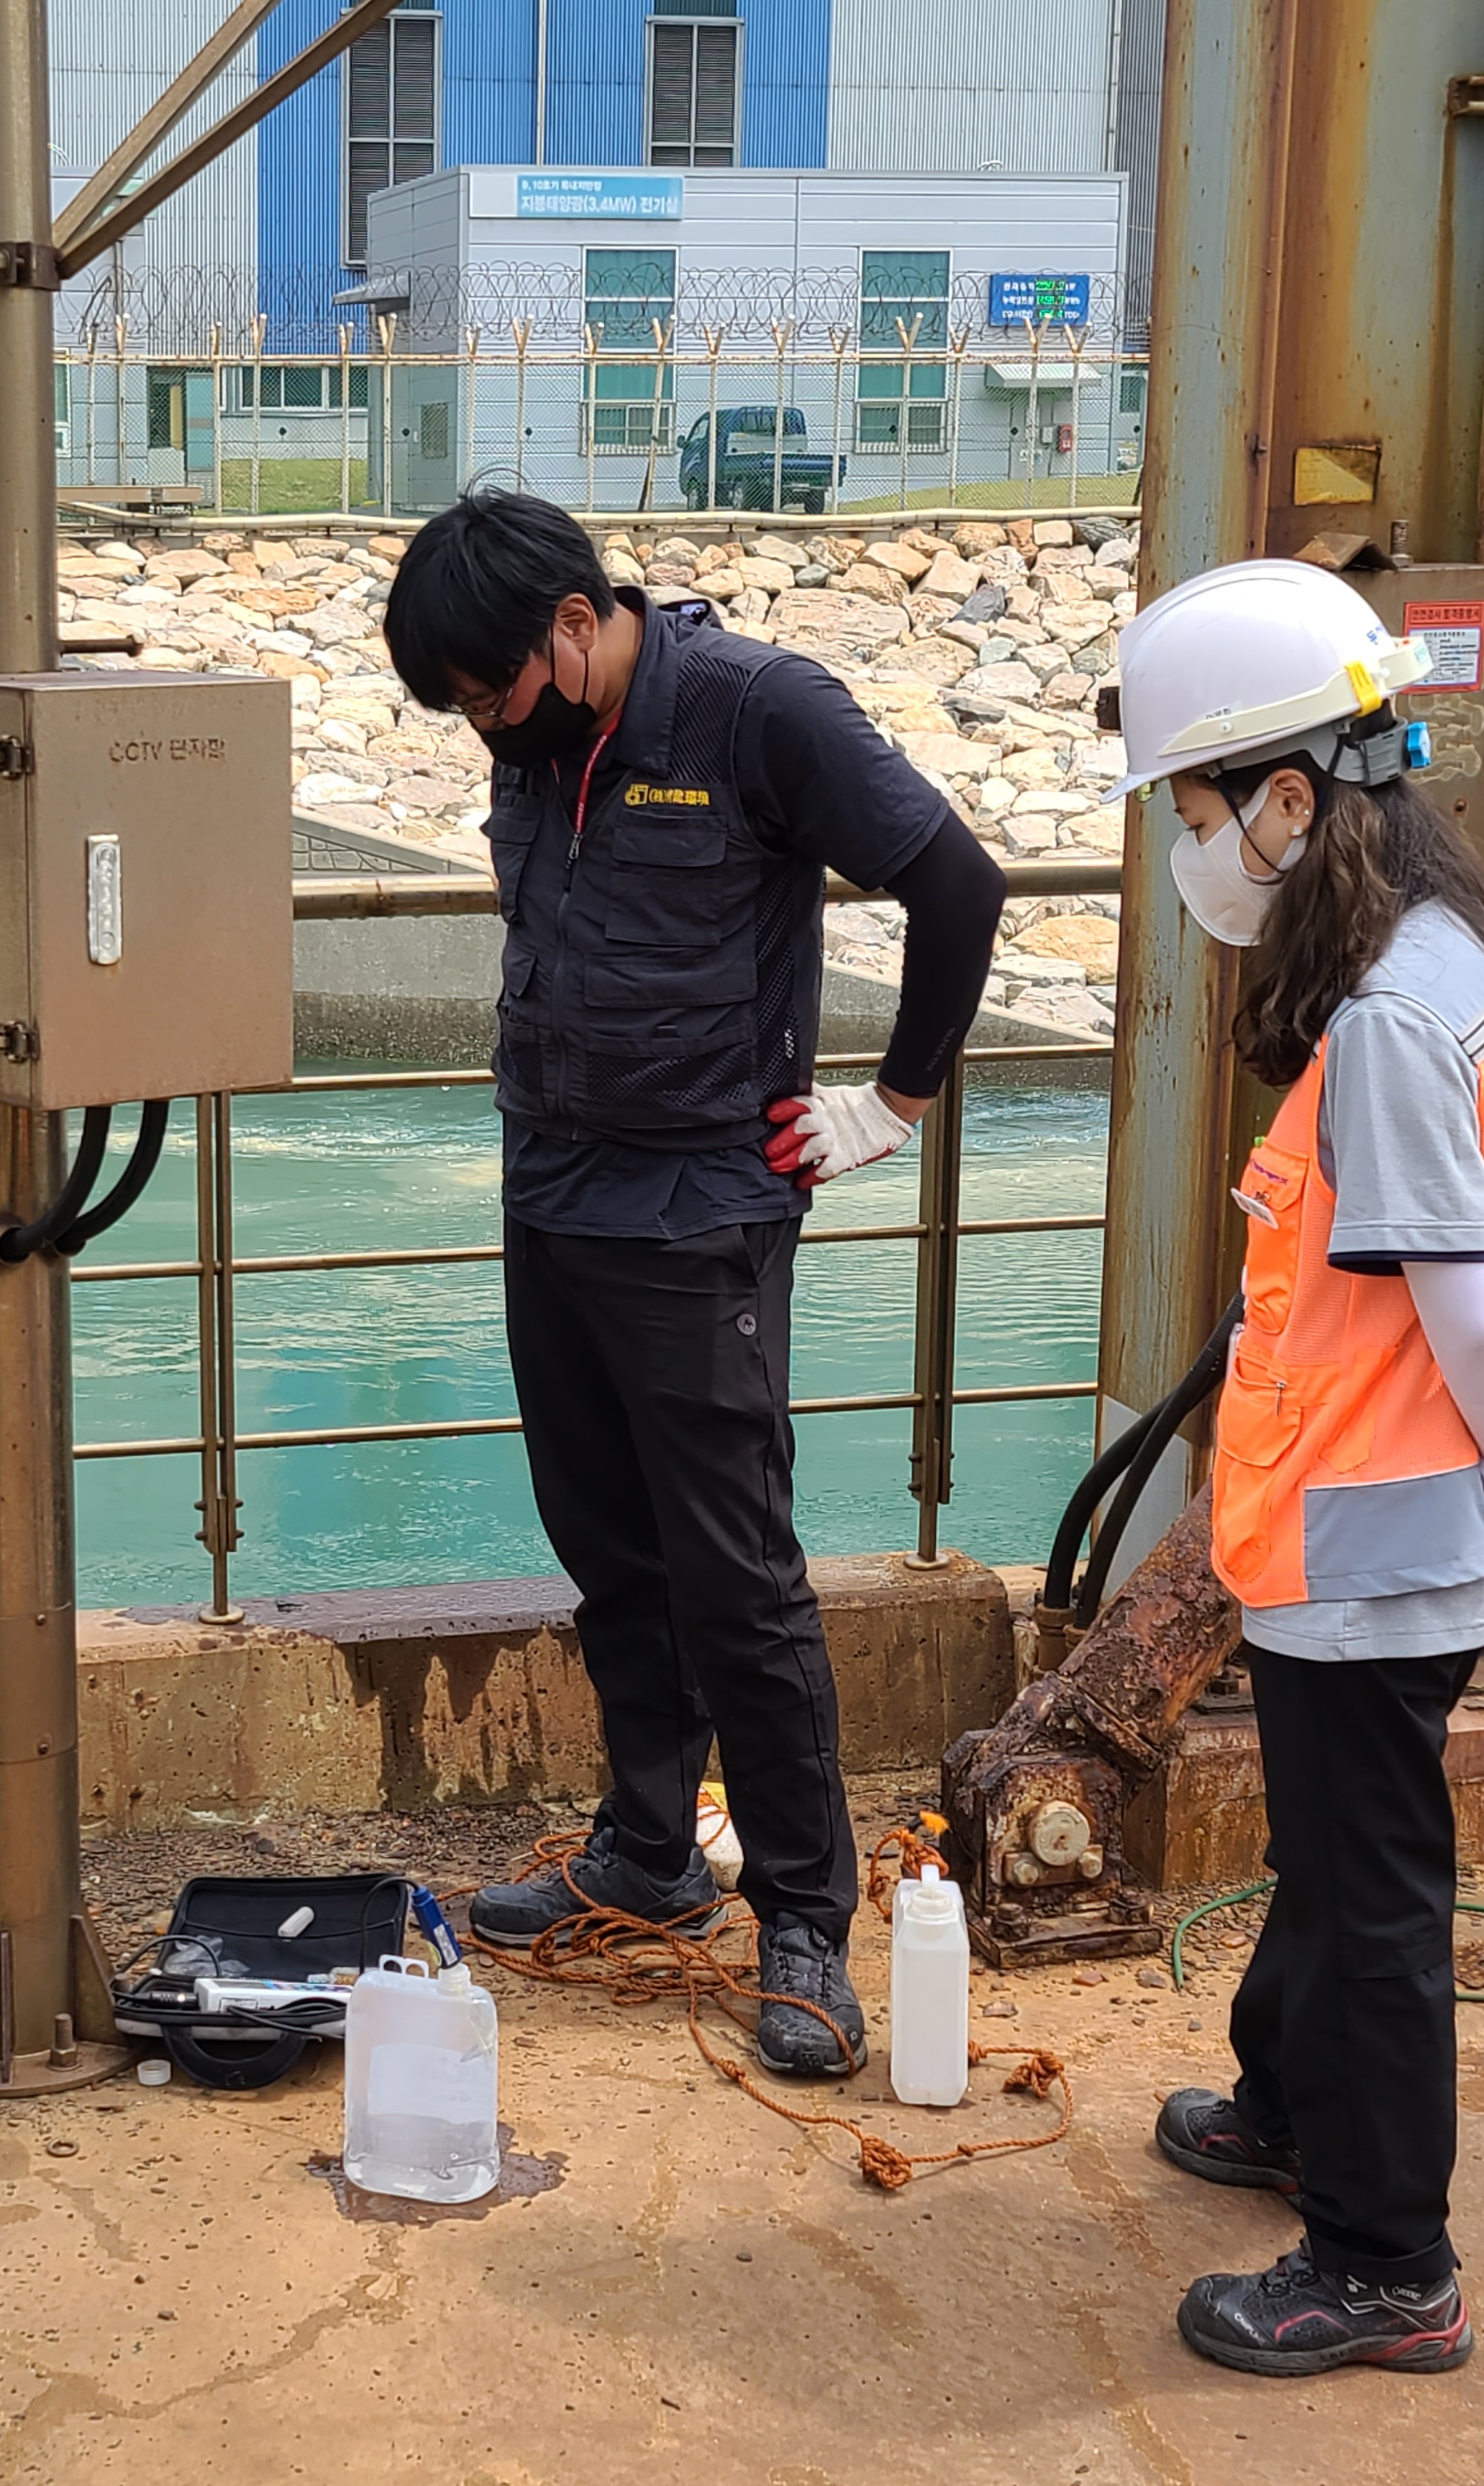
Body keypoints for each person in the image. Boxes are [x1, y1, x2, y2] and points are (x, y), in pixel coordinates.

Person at [379, 491, 1008, 2077]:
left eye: (491, 692)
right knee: (610, 1551)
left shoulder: (756, 710)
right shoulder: (536, 740)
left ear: (573, 624)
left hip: (699, 1218)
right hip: (553, 1195)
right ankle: (650, 1849)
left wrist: (897, 1100)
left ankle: (803, 1920)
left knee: (736, 1573)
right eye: (460, 708)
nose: (484, 727)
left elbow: (959, 883)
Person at [1108, 559, 1484, 2376]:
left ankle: (1384, 2261)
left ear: (1286, 798)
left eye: (1197, 814)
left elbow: (1458, 1288)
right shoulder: (1474, 954)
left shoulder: (1389, 1023)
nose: (1192, 851)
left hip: (1372, 1530)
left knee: (1372, 1897)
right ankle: (1284, 2105)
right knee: (1333, 1854)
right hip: (1377, 1516)